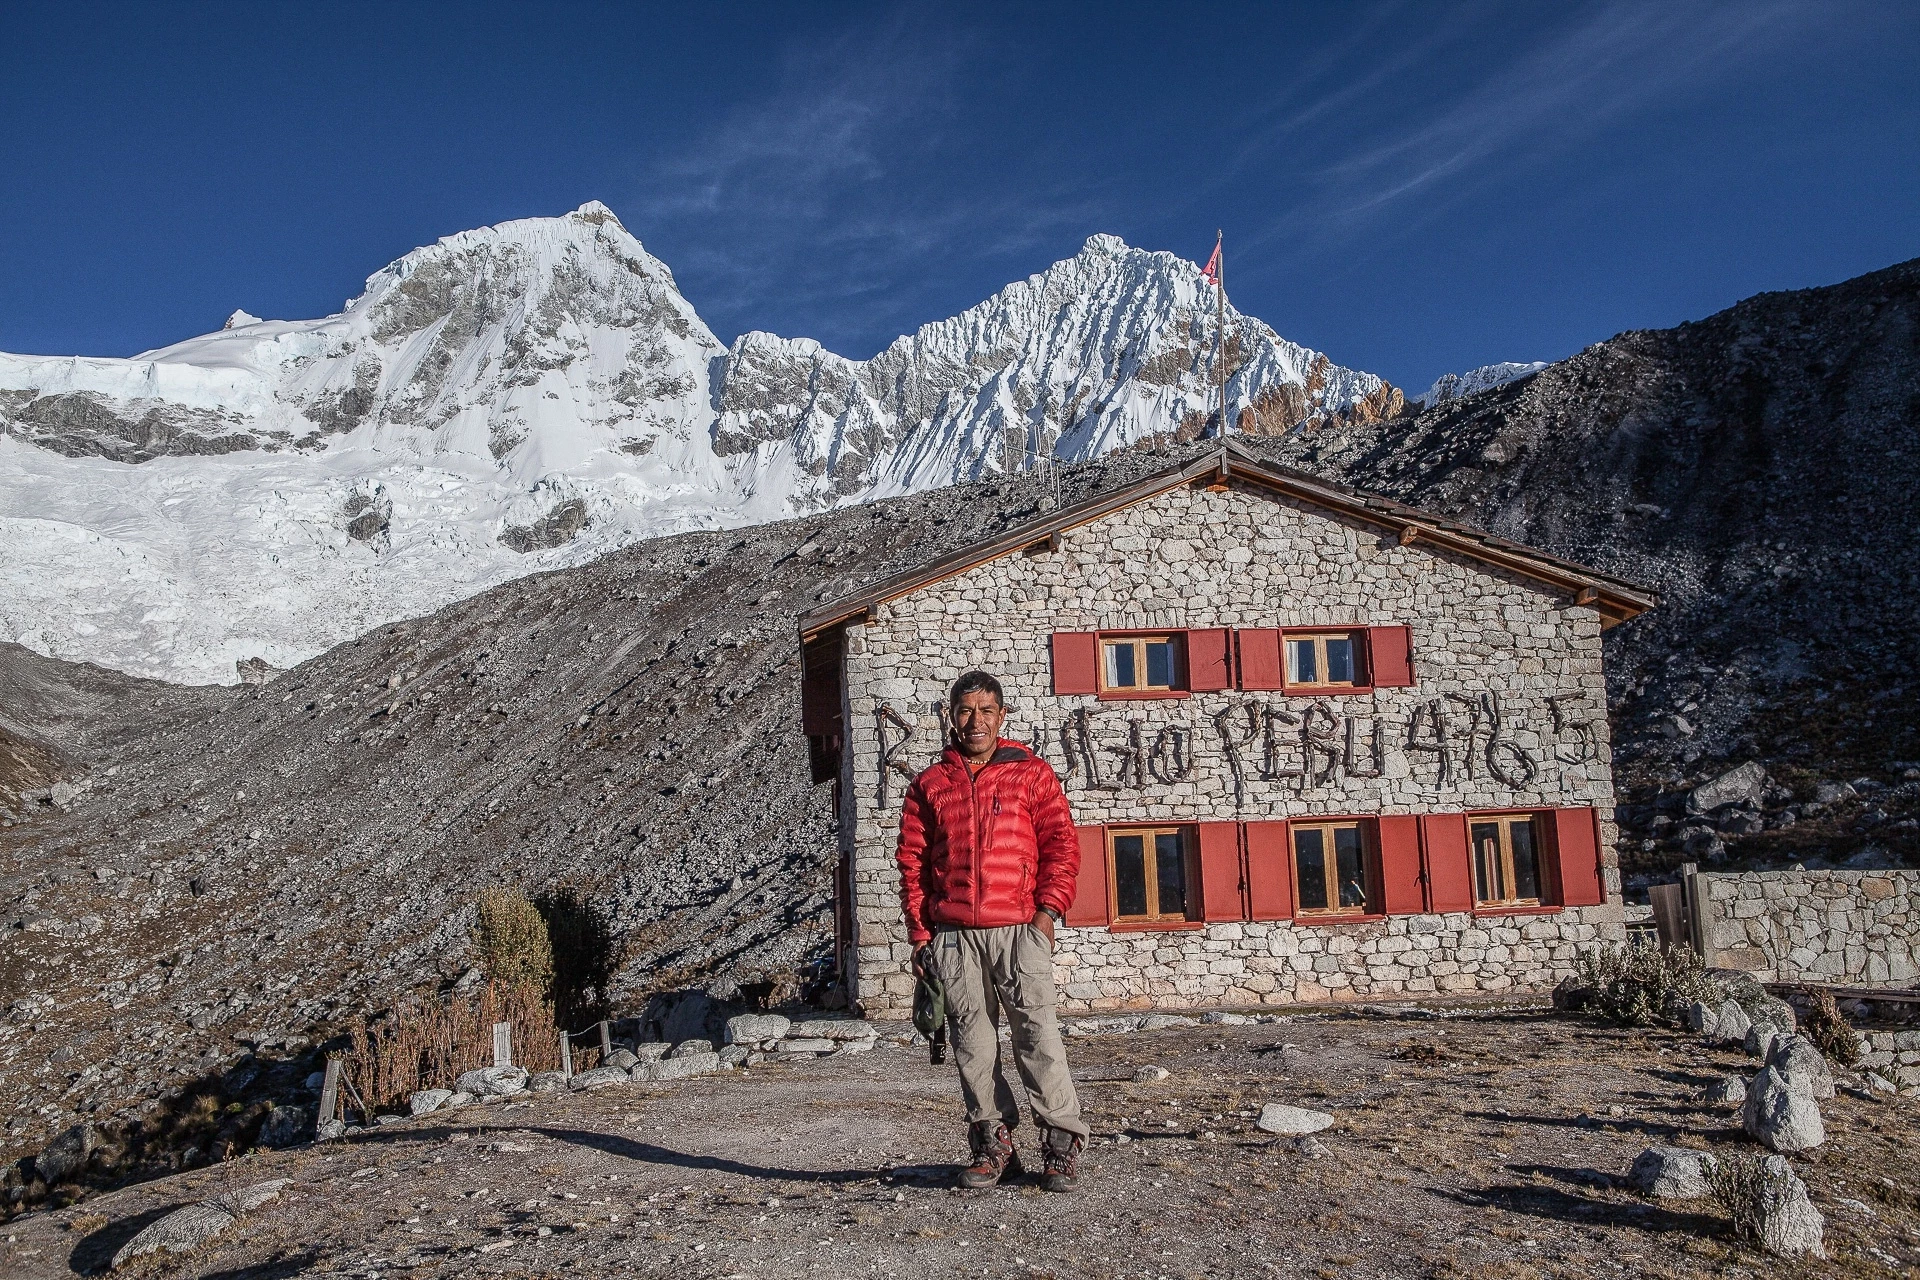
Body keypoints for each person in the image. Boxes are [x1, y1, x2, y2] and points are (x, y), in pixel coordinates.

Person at [894, 671, 1090, 1192]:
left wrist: (1046, 916)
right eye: (964, 710)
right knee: (973, 1044)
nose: (974, 720)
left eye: (985, 710)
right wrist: (921, 935)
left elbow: (1061, 850)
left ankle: (1060, 1145)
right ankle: (992, 1145)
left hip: (1020, 929)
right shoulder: (929, 785)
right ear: (950, 716)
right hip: (954, 936)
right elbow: (912, 864)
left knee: (1038, 1037)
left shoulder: (1032, 775)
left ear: (1002, 716)